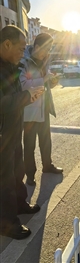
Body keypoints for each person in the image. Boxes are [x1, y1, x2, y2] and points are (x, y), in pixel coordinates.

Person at [0, 25, 44, 240]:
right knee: (4, 179)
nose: (22, 53)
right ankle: (7, 224)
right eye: (20, 48)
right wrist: (27, 96)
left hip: (12, 130)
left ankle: (19, 204)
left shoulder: (10, 66)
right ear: (6, 44)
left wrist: (29, 96)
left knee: (17, 171)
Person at [19, 33, 63, 186]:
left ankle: (47, 165)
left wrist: (52, 82)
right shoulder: (24, 61)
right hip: (29, 111)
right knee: (29, 145)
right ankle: (30, 174)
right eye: (47, 48)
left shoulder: (44, 61)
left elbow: (45, 85)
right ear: (37, 47)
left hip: (44, 107)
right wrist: (43, 80)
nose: (48, 52)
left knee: (46, 141)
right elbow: (22, 84)